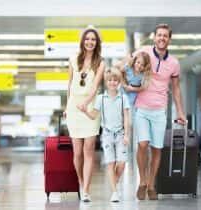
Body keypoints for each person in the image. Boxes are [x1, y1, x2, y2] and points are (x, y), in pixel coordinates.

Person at [130, 24, 186, 200]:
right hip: (141, 108)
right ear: (154, 37)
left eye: (165, 36)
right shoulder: (144, 51)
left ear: (169, 39)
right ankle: (142, 182)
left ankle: (152, 185)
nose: (162, 38)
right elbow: (128, 63)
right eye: (159, 35)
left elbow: (176, 89)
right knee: (142, 144)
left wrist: (180, 112)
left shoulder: (174, 63)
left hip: (160, 110)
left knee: (156, 148)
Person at [65, 26, 105, 202]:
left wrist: (86, 104)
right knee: (78, 152)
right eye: (87, 39)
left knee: (89, 149)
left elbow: (95, 87)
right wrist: (68, 106)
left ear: (97, 43)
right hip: (74, 108)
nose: (90, 42)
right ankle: (81, 182)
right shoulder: (73, 59)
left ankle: (86, 190)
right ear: (83, 41)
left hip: (89, 108)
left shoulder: (101, 63)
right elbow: (69, 84)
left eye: (93, 40)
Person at [80, 68, 130, 202]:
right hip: (107, 134)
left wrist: (127, 134)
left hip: (120, 134)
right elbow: (94, 115)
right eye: (110, 80)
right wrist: (85, 111)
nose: (112, 82)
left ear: (118, 82)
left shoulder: (123, 98)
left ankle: (114, 182)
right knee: (110, 163)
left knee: (122, 163)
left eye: (115, 80)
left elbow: (126, 118)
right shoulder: (101, 98)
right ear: (106, 82)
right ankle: (115, 192)